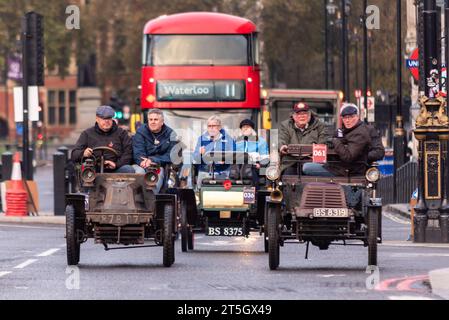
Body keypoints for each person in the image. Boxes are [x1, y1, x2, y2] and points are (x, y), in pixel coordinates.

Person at [304, 103, 381, 176]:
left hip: (347, 170)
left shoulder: (361, 132)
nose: (347, 120)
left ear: (357, 117)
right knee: (307, 165)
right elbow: (337, 145)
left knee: (306, 168)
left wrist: (335, 141)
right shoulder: (342, 131)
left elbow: (348, 156)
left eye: (350, 117)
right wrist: (331, 144)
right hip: (338, 166)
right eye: (344, 117)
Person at [71, 105, 134, 173]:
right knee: (84, 171)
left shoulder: (122, 133)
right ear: (97, 119)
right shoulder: (87, 134)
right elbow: (74, 154)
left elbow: (128, 153)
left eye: (109, 118)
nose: (107, 121)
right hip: (93, 170)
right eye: (103, 118)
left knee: (128, 169)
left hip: (116, 169)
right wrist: (84, 153)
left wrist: (116, 164)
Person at [132, 108, 178, 192]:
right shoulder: (140, 132)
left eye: (156, 119)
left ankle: (152, 198)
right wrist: (143, 162)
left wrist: (153, 160)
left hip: (158, 165)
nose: (153, 122)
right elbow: (138, 151)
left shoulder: (171, 134)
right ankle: (137, 198)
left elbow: (171, 155)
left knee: (158, 175)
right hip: (140, 164)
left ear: (162, 121)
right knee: (139, 173)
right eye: (150, 119)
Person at [278, 102, 328, 174]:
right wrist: (282, 146)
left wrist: (317, 155)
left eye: (304, 114)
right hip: (291, 162)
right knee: (286, 177)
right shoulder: (285, 125)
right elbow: (282, 138)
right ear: (294, 116)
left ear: (309, 115)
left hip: (311, 161)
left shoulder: (319, 125)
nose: (302, 116)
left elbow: (323, 141)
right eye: (298, 114)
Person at [193, 115, 236, 186]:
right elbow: (195, 158)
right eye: (209, 126)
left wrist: (225, 160)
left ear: (219, 127)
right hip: (204, 173)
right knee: (201, 195)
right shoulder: (201, 139)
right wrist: (200, 153)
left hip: (223, 173)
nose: (211, 128)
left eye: (213, 126)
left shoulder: (229, 139)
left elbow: (234, 156)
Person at [235, 119, 269, 187]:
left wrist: (260, 165)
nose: (245, 129)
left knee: (253, 180)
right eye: (243, 127)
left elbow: (265, 157)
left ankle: (254, 193)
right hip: (238, 168)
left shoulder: (260, 141)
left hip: (254, 168)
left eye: (248, 127)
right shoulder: (236, 141)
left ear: (252, 129)